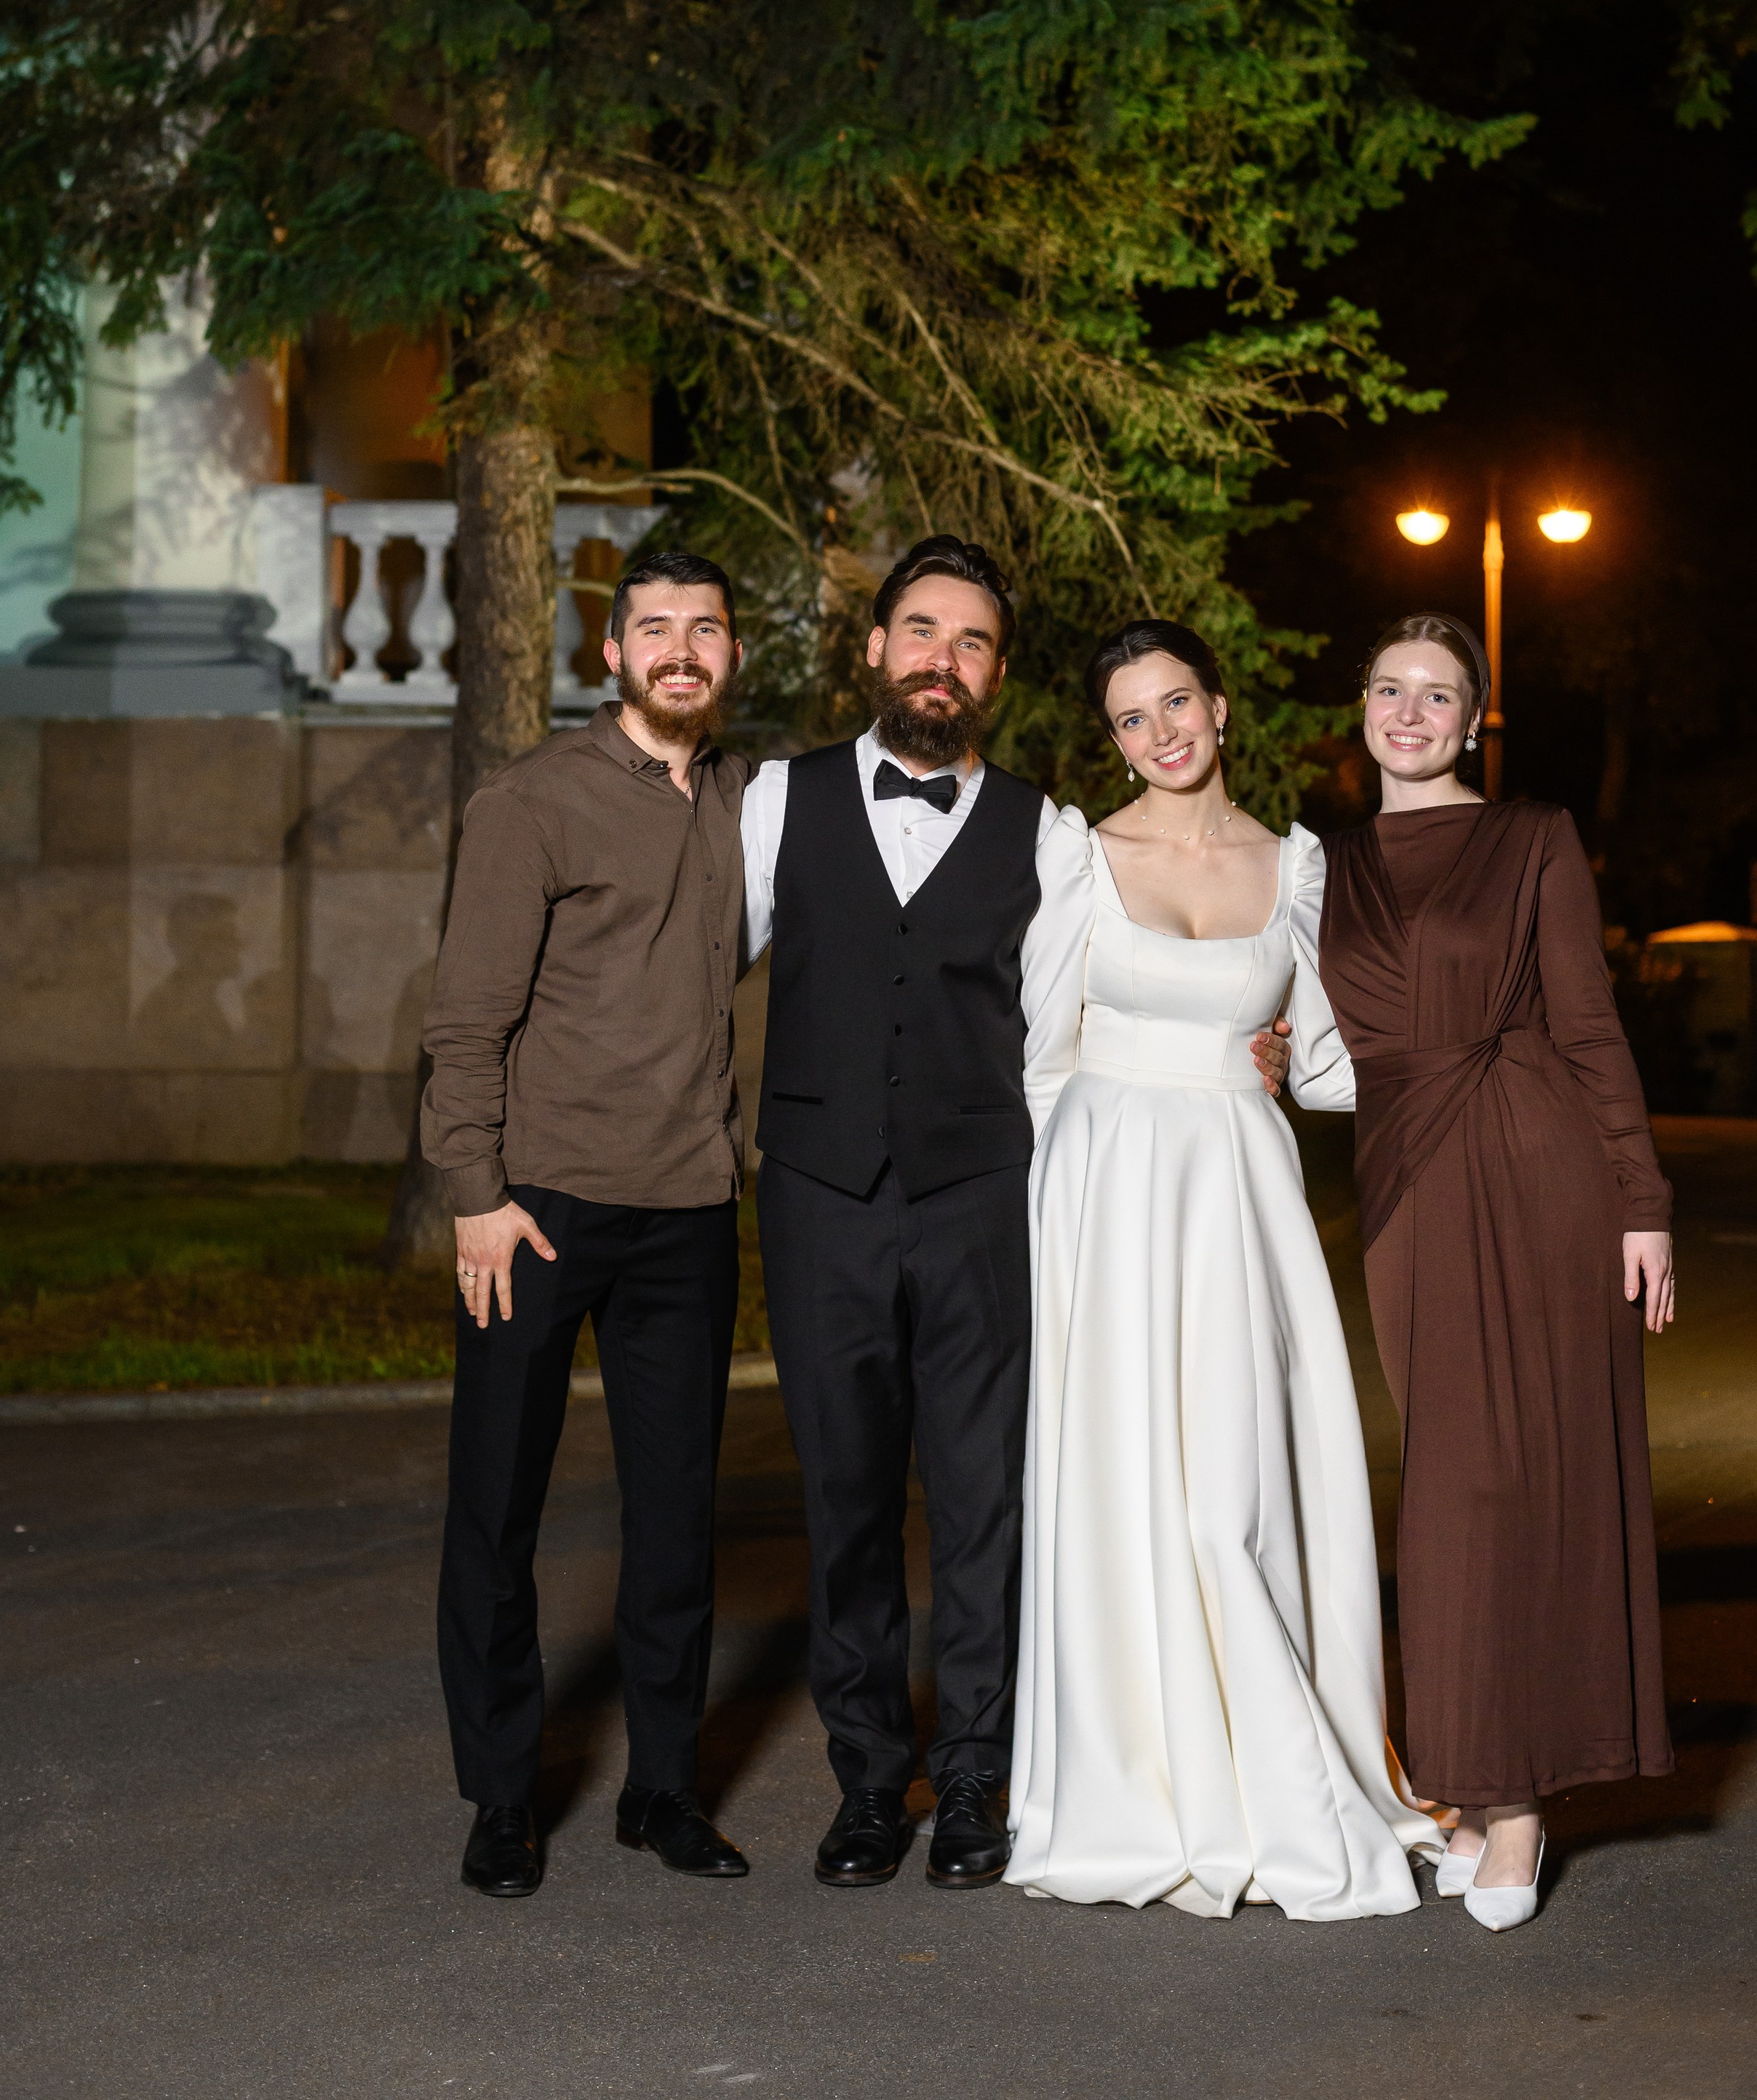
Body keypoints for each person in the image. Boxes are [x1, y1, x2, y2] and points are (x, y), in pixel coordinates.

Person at [739, 538, 1289, 1890]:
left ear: (997, 675)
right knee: (849, 1499)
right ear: (874, 650)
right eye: (919, 631)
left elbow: (1101, 1004)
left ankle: (977, 1781)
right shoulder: (773, 802)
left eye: (971, 641)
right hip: (819, 1202)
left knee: (988, 1499)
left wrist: (1260, 1040)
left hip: (989, 1197)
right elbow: (684, 973)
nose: (942, 658)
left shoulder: (1052, 834)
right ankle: (871, 1782)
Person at [1005, 618, 1442, 1920]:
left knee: (1230, 1497)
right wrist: (1057, 1223)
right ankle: (1139, 1786)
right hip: (1109, 1188)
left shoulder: (1300, 864)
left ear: (1223, 708)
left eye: (1177, 704)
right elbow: (1041, 1056)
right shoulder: (1079, 856)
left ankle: (1282, 1786)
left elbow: (1326, 1062)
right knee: (1126, 1491)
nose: (1160, 734)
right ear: (1115, 736)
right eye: (1133, 718)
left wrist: (1337, 1061)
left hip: (1239, 1188)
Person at [1317, 612, 1675, 1933]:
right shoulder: (1333, 864)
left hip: (1536, 1168)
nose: (1410, 712)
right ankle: (1467, 1784)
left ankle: (1514, 1805)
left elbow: (1588, 1020)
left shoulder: (1531, 837)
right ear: (1363, 706)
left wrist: (1642, 1198)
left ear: (1474, 722)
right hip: (1406, 1183)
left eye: (1439, 695)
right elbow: (1310, 1028)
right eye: (1389, 688)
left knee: (1517, 1477)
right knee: (1453, 1488)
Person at [422, 549, 755, 1900]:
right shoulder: (534, 803)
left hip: (687, 1209)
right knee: (496, 1511)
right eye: (656, 628)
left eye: (707, 630)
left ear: (732, 657)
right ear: (610, 653)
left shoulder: (744, 799)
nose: (683, 649)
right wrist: (475, 1196)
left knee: (675, 1519)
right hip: (536, 1211)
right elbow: (464, 1022)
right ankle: (504, 1798)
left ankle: (662, 1790)